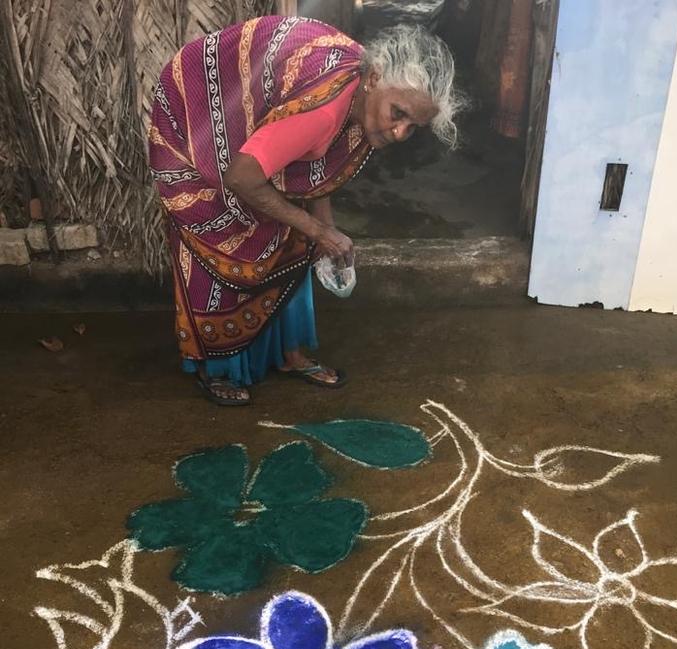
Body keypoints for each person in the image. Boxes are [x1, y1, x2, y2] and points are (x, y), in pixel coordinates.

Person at [149, 15, 461, 405]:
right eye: (398, 114)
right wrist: (318, 231)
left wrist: (324, 235)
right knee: (229, 243)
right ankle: (218, 369)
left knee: (299, 238)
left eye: (413, 126)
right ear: (376, 76)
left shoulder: (359, 93)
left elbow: (315, 171)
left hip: (248, 130)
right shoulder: (324, 110)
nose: (400, 133)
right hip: (193, 122)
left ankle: (288, 354)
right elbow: (242, 178)